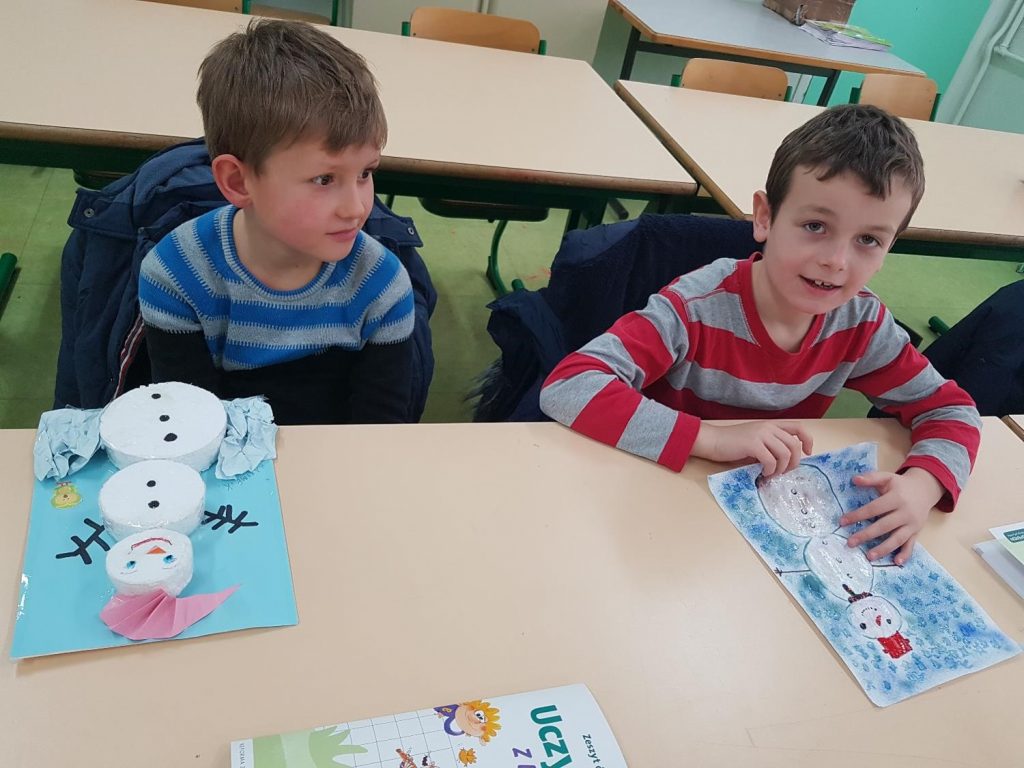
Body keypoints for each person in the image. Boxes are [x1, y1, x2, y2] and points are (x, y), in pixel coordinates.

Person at [538, 104, 981, 565]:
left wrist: (923, 485)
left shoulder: (861, 324)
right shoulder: (695, 308)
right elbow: (570, 385)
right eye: (815, 226)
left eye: (868, 240)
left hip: (758, 522)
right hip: (657, 502)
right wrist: (712, 439)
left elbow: (951, 410)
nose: (836, 261)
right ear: (765, 218)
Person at [139, 20, 415, 425]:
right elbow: (191, 428)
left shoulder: (382, 285)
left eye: (365, 173)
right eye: (324, 179)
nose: (356, 209)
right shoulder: (176, 276)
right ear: (238, 182)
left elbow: (376, 431)